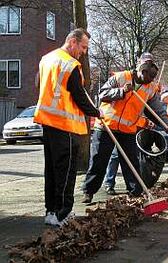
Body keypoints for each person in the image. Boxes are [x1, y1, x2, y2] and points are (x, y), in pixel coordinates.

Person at [82, 52, 168, 203]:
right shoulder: (120, 77)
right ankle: (89, 191)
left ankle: (135, 193)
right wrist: (121, 91)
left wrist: (167, 124)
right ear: (140, 70)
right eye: (145, 77)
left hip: (128, 130)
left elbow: (157, 110)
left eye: (150, 79)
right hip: (106, 126)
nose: (147, 81)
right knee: (99, 160)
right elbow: (102, 94)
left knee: (131, 163)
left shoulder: (150, 88)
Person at [34, 28, 102, 226]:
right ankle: (62, 213)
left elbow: (39, 84)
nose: (84, 52)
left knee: (52, 170)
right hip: (64, 124)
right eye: (83, 47)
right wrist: (96, 112)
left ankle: (51, 211)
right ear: (72, 41)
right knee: (66, 171)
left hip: (47, 122)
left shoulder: (46, 59)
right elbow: (79, 96)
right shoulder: (71, 64)